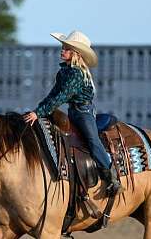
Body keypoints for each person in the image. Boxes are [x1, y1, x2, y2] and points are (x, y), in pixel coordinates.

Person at [23, 30, 120, 195]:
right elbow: (53, 94)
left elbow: (61, 97)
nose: (62, 50)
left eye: (67, 48)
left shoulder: (76, 74)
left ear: (76, 54)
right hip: (73, 112)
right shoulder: (64, 72)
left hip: (84, 113)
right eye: (63, 47)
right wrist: (38, 110)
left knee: (92, 140)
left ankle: (112, 176)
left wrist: (38, 113)